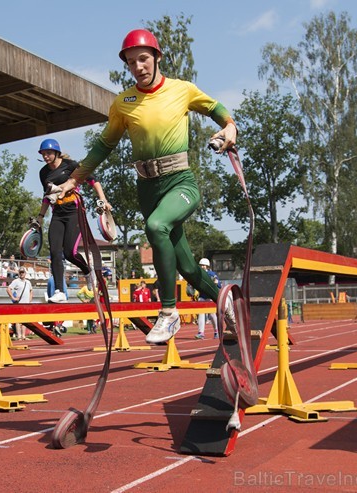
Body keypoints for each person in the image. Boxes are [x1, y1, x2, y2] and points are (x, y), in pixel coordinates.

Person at [58, 29, 238, 344]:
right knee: (188, 268)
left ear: (157, 57)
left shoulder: (182, 90)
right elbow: (104, 146)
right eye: (130, 62)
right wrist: (74, 179)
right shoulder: (123, 103)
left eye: (143, 59)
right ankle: (228, 306)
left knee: (156, 227)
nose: (138, 66)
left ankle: (168, 313)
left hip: (180, 182)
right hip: (147, 189)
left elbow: (217, 110)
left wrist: (229, 126)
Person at [35, 138, 111, 303]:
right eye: (43, 154)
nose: (46, 156)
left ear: (56, 152)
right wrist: (40, 217)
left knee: (70, 253)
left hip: (74, 212)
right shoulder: (43, 173)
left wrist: (103, 200)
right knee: (55, 252)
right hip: (57, 213)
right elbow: (47, 196)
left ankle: (88, 272)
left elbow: (93, 180)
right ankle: (60, 292)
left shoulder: (70, 165)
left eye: (48, 153)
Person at [195, 258, 221, 340]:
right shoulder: (198, 274)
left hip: (210, 297)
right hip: (202, 296)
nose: (202, 266)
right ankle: (201, 333)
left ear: (207, 266)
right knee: (201, 314)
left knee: (212, 315)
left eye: (204, 265)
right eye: (201, 265)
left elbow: (219, 284)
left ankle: (217, 331)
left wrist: (216, 282)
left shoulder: (211, 274)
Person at [6, 267, 33, 341]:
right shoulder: (16, 281)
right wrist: (13, 298)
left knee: (25, 320)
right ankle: (19, 336)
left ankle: (23, 335)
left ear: (25, 273)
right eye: (20, 272)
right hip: (19, 304)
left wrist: (30, 300)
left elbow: (31, 291)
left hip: (26, 304)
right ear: (19, 273)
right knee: (18, 320)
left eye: (23, 272)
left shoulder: (28, 282)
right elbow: (8, 289)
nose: (22, 274)